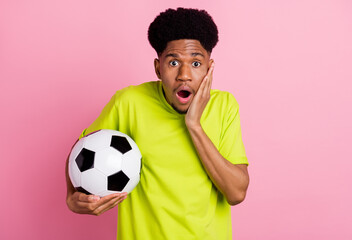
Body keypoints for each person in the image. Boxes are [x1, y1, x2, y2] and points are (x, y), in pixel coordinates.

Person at [66, 7, 249, 240]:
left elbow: (236, 193)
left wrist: (194, 125)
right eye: (173, 63)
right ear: (157, 68)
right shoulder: (129, 103)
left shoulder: (224, 106)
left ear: (209, 69)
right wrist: (72, 197)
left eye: (195, 63)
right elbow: (81, 150)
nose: (184, 74)